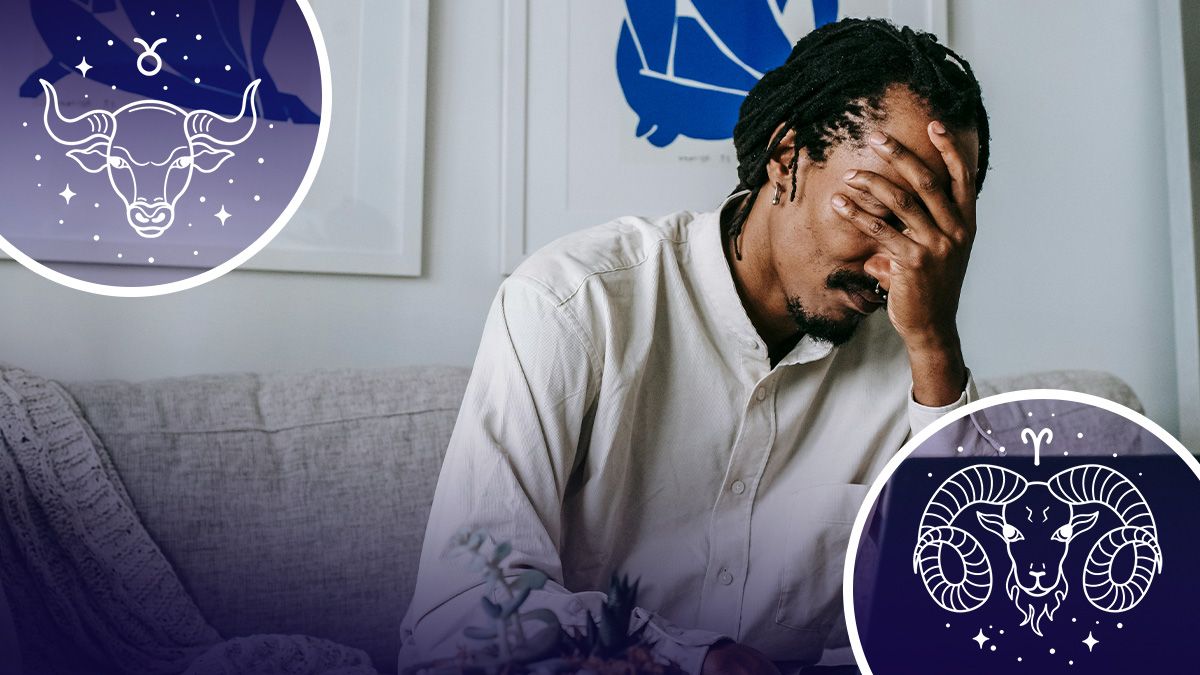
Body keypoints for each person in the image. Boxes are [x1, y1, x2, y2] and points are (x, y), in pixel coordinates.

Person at [399, 17, 989, 675]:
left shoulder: (917, 354)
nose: (895, 266)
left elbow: (980, 620)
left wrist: (935, 343)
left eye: (933, 234)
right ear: (788, 157)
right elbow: (463, 609)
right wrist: (696, 660)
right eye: (881, 212)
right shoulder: (573, 304)